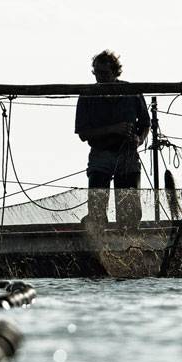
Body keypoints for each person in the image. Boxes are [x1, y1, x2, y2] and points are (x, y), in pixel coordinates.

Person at [74, 50, 150, 229]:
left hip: (127, 155)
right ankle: (100, 244)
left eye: (105, 73)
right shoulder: (87, 95)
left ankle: (128, 247)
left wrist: (138, 139)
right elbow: (83, 133)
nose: (100, 78)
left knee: (129, 213)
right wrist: (114, 129)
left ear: (115, 72)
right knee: (97, 211)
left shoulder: (132, 92)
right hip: (101, 154)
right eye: (97, 73)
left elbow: (146, 124)